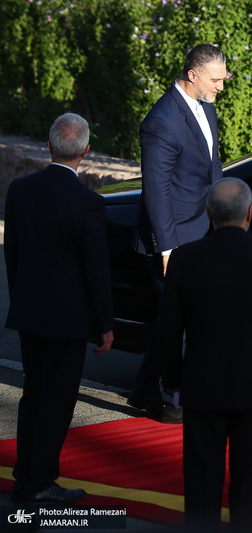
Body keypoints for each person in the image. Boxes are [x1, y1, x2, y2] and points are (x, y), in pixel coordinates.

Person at [157, 178, 252, 532]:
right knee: (249, 480)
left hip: (202, 384)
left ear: (208, 213)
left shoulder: (185, 258)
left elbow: (170, 329)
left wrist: (171, 378)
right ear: (251, 213)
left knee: (202, 479)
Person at [5, 113, 114, 504]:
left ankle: (25, 475)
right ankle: (40, 481)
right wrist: (104, 324)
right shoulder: (88, 203)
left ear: (49, 146)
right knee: (57, 401)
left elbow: (12, 256)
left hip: (30, 312)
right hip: (68, 320)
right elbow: (96, 272)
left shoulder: (20, 190)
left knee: (33, 395)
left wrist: (20, 299)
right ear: (85, 151)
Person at [129, 43, 227, 422]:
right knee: (182, 319)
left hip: (203, 229)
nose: (222, 85)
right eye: (216, 79)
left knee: (171, 317)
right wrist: (168, 249)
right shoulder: (161, 121)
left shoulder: (207, 107)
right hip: (173, 239)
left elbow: (212, 167)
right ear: (193, 75)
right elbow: (157, 190)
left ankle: (143, 390)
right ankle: (173, 400)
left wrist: (221, 220)